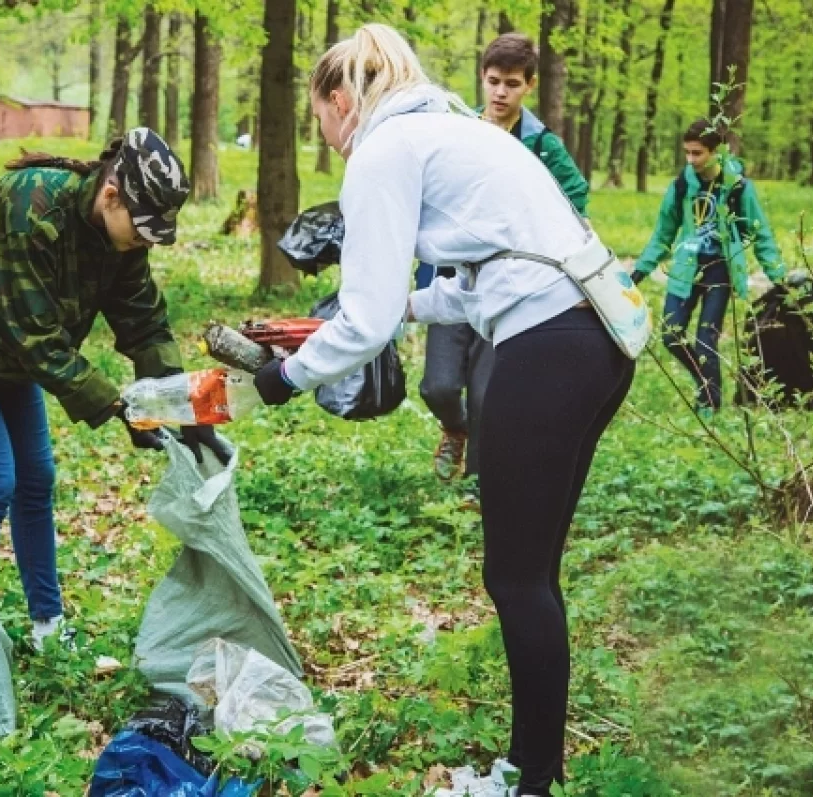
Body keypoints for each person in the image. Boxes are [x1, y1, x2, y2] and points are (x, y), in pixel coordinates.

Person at [253, 24, 635, 796]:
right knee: (533, 573)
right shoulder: (454, 130)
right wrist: (394, 311)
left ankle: (529, 783)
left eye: (318, 121)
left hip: (548, 342)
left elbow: (363, 320)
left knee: (517, 577)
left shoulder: (384, 151)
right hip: (600, 336)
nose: (324, 138)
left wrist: (282, 378)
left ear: (338, 100)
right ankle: (535, 769)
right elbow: (467, 282)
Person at [0, 128, 228, 650]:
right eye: (141, 230)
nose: (143, 242)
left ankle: (47, 625)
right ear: (111, 194)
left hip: (7, 346)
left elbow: (144, 323)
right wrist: (121, 409)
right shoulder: (30, 209)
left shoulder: (121, 235)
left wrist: (181, 408)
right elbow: (37, 340)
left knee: (37, 478)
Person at [418, 31, 590, 485]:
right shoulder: (462, 133)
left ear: (529, 85)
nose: (500, 92)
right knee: (437, 385)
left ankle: (480, 482)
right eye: (493, 80)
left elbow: (576, 195)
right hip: (455, 280)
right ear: (482, 78)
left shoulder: (542, 144)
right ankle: (454, 429)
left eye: (512, 83)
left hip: (509, 289)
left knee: (488, 391)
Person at [631, 118, 784, 415]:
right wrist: (641, 270)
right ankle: (705, 380)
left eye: (697, 153)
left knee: (706, 340)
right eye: (687, 152)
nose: (691, 160)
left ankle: (710, 403)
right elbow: (663, 232)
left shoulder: (738, 187)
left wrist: (778, 275)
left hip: (719, 270)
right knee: (671, 335)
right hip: (685, 268)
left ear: (717, 151)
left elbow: (760, 232)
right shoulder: (681, 185)